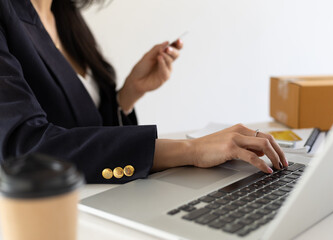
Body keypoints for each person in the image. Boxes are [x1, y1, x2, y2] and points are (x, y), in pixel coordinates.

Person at [0, 0, 287, 184]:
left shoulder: (63, 12)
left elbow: (81, 127)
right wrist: (189, 149)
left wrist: (128, 94)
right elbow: (24, 147)